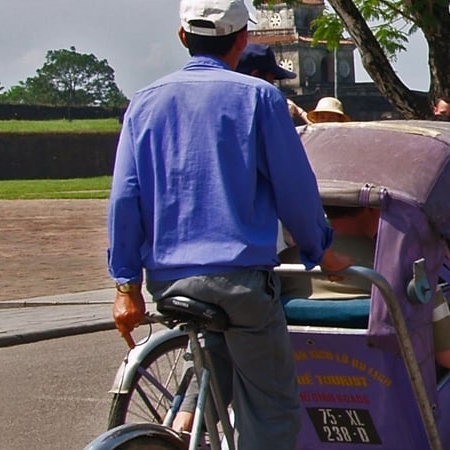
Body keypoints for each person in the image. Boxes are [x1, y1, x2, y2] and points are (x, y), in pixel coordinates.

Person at [107, 1, 351, 447]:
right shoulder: (260, 98)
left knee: (215, 350)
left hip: (168, 281)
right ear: (242, 40)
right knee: (271, 410)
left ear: (183, 37)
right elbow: (294, 190)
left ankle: (182, 424)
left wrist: (127, 285)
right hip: (239, 281)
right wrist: (322, 251)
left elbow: (126, 197)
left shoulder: (143, 103)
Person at [280, 206, 450, 369]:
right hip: (396, 388)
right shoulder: (409, 268)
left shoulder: (284, 263)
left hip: (302, 382)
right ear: (372, 208)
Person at [233, 43, 308, 126]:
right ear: (256, 75)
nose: (273, 84)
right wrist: (297, 113)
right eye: (272, 78)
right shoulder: (269, 108)